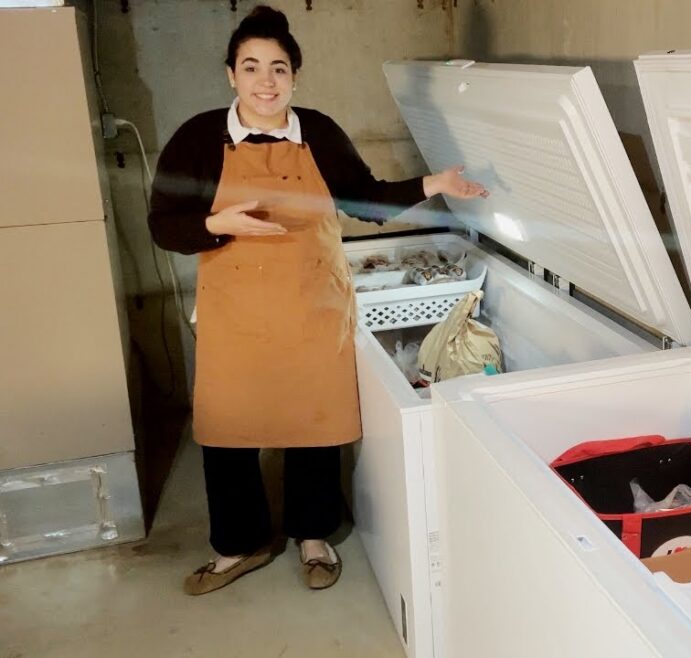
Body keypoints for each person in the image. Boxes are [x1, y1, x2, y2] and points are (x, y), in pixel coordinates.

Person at [148, 5, 486, 595]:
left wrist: (435, 184)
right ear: (230, 74)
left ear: (295, 77)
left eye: (278, 68)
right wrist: (215, 223)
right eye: (251, 67)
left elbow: (363, 200)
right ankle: (240, 543)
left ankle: (313, 535)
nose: (265, 81)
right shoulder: (198, 138)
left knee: (315, 423)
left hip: (312, 304)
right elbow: (163, 224)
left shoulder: (319, 133)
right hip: (234, 312)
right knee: (227, 428)